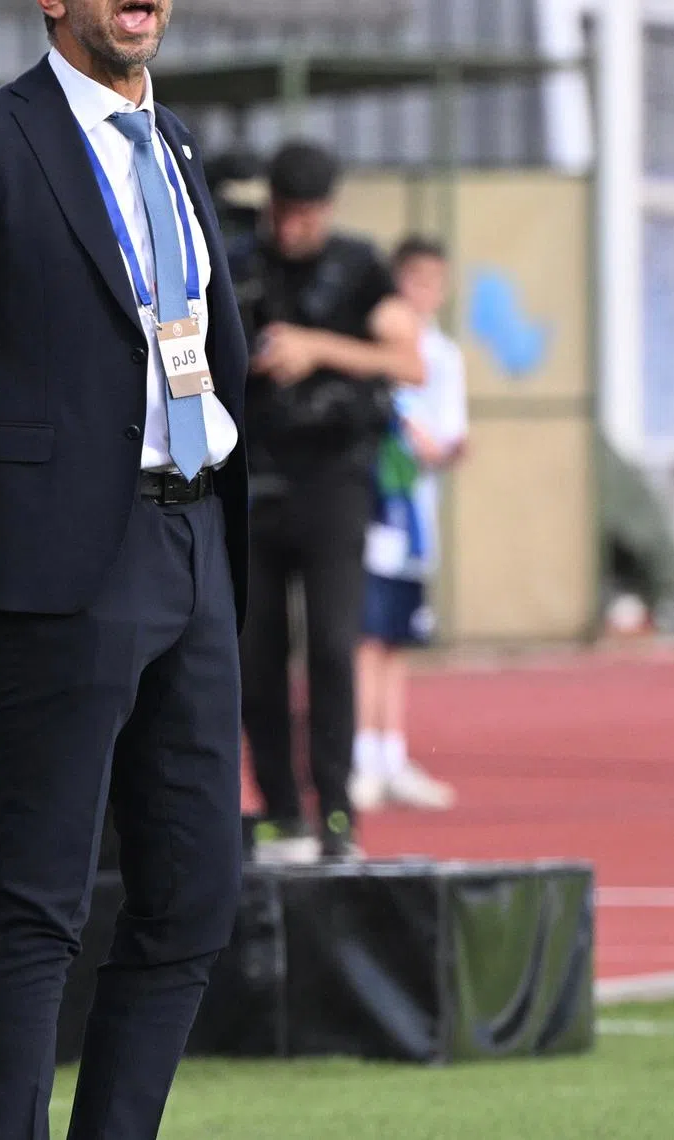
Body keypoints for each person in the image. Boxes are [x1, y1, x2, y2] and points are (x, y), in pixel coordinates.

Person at [0, 1, 250, 1135]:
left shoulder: (173, 146)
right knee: (38, 902)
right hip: (65, 565)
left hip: (196, 543)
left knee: (196, 895)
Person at [236, 140, 425, 864]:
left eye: (305, 215)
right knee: (256, 657)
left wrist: (317, 347)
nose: (291, 230)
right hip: (253, 476)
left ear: (328, 210)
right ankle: (281, 809)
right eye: (282, 213)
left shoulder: (359, 267)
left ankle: (337, 811)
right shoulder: (240, 262)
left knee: (332, 649)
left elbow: (406, 361)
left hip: (333, 482)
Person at [351, 236, 468, 812]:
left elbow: (451, 440)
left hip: (414, 518)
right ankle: (360, 757)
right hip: (370, 516)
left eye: (434, 281)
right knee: (364, 639)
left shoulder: (445, 356)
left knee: (394, 640)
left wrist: (430, 447)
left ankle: (392, 757)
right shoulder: (372, 349)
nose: (424, 292)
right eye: (413, 280)